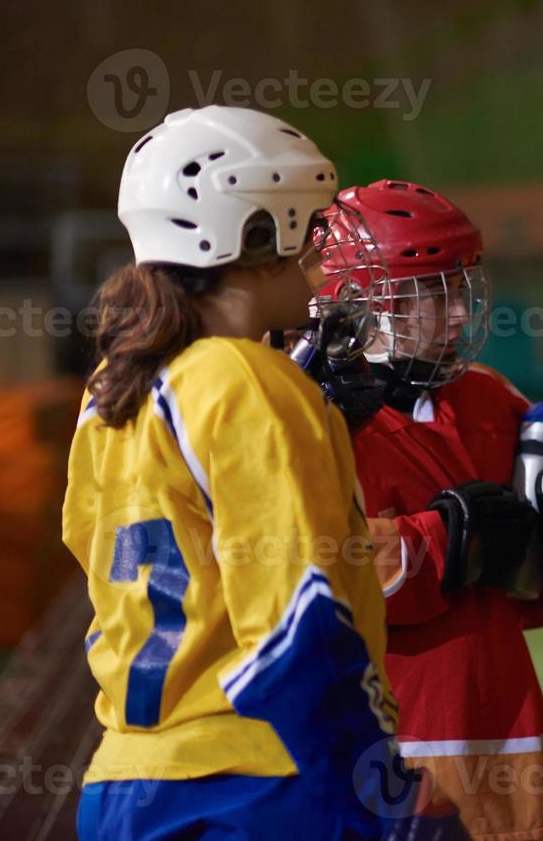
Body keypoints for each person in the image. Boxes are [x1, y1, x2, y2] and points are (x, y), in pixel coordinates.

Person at [63, 106, 400, 839]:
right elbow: (292, 615)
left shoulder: (111, 388)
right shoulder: (248, 378)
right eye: (306, 225)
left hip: (124, 778)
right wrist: (379, 785)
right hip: (256, 785)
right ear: (252, 234)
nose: (321, 249)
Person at [314, 179, 543, 841]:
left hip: (507, 754)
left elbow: (534, 599)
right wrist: (443, 541)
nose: (458, 314)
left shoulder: (489, 401)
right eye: (432, 293)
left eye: (460, 287)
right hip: (375, 764)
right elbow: (302, 574)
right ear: (363, 297)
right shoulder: (309, 418)